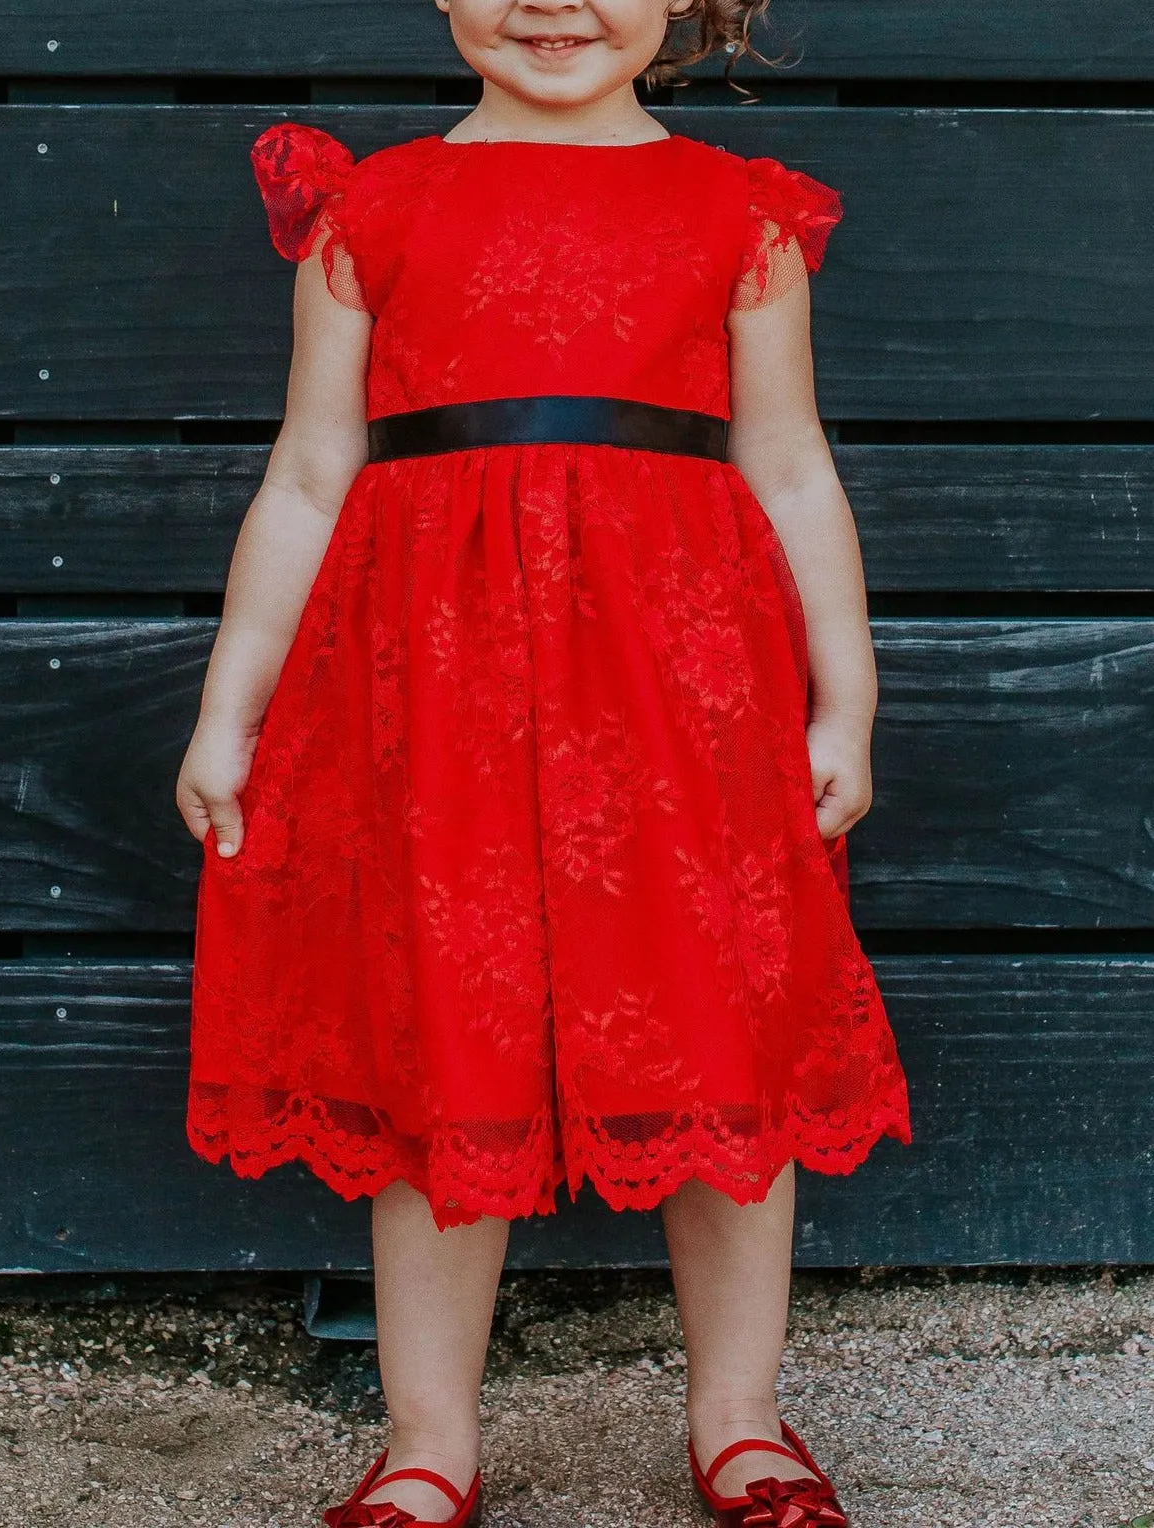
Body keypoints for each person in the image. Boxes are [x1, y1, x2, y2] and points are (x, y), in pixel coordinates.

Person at [176, 2, 913, 1524]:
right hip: (428, 699)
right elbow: (313, 475)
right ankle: (428, 1438)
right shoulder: (370, 211)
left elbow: (787, 464)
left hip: (680, 695)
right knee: (440, 1038)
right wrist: (229, 708)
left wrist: (847, 694)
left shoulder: (736, 209)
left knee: (716, 1027)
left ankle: (744, 1418)